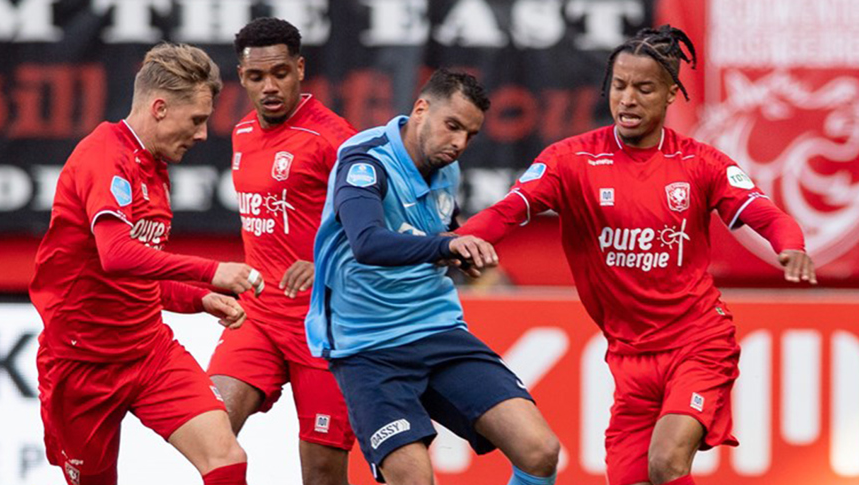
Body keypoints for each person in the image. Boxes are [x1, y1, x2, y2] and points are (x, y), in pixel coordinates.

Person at [457, 25, 818, 485]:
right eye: (619, 86)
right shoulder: (571, 160)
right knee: (630, 478)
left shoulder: (700, 163)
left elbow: (765, 214)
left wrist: (791, 247)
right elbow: (509, 210)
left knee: (666, 463)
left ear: (671, 94)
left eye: (644, 88)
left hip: (697, 343)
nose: (627, 99)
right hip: (629, 359)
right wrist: (457, 241)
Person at [305, 69, 560, 485]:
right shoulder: (366, 161)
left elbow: (441, 231)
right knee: (415, 480)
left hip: (437, 330)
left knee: (540, 451)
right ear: (421, 110)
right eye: (452, 126)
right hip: (366, 347)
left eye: (470, 135)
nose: (459, 143)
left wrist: (463, 255)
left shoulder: (446, 169)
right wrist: (446, 247)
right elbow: (367, 243)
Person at [29, 43, 265, 485]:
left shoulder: (152, 165)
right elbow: (116, 255)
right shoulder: (104, 157)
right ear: (159, 108)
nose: (202, 134)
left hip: (149, 351)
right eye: (196, 120)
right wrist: (211, 271)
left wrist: (201, 299)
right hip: (83, 363)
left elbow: (142, 272)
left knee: (226, 457)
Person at [206, 17, 357, 485]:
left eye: (280, 73)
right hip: (258, 317)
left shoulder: (335, 139)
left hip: (325, 326)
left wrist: (325, 260)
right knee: (208, 430)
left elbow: (379, 225)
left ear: (300, 69)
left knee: (322, 474)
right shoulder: (242, 132)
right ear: (241, 76)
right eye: (256, 76)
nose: (269, 87)